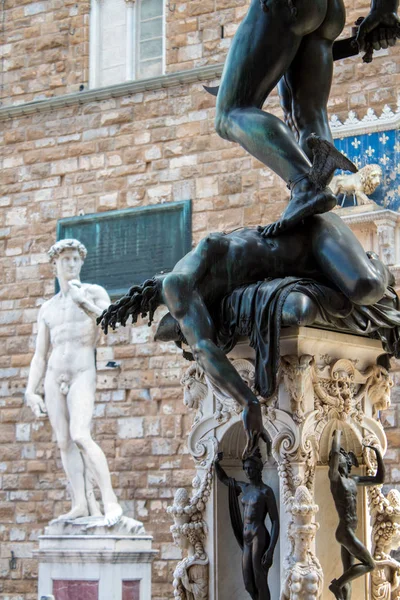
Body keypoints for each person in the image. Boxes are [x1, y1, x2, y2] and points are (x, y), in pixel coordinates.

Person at [99, 212, 392, 458]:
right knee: (302, 307)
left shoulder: (182, 280)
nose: (179, 315)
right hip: (302, 266)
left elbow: (203, 347)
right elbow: (193, 341)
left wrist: (248, 402)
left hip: (312, 234)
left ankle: (376, 263)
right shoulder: (197, 291)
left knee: (366, 287)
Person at [214, 0, 400, 236]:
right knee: (309, 114)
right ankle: (312, 200)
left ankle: (306, 188)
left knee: (230, 113)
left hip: (289, 6)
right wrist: (384, 9)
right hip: (330, 10)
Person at [25, 239, 123, 526]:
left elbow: (109, 322)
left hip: (82, 371)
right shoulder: (48, 308)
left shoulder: (94, 292)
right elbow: (40, 355)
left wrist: (84, 303)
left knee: (81, 434)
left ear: (81, 262)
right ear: (55, 263)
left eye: (75, 259)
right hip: (55, 376)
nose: (71, 264)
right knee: (64, 441)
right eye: (65, 259)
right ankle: (80, 502)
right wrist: (31, 390)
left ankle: (109, 500)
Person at [214, 449, 279, 600]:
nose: (248, 471)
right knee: (248, 583)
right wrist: (216, 463)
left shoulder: (265, 491)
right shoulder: (244, 487)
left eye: (251, 468)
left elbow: (275, 521)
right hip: (246, 538)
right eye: (246, 468)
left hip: (259, 536)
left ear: (258, 469)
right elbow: (224, 479)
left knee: (259, 578)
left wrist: (270, 550)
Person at [328, 429, 385, 600]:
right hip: (344, 531)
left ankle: (344, 596)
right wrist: (337, 434)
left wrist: (378, 455)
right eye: (340, 457)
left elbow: (379, 480)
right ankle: (336, 585)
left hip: (350, 531)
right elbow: (334, 457)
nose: (342, 458)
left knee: (349, 573)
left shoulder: (354, 480)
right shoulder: (335, 479)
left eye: (345, 457)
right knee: (370, 564)